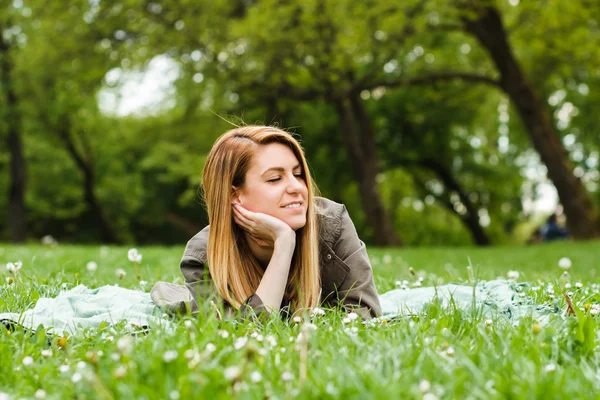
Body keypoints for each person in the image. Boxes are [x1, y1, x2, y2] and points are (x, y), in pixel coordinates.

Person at [176, 125, 381, 321]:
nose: (297, 187)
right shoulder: (204, 257)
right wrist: (284, 243)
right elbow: (244, 334)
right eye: (275, 179)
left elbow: (364, 315)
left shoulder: (332, 225)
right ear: (233, 195)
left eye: (298, 174)